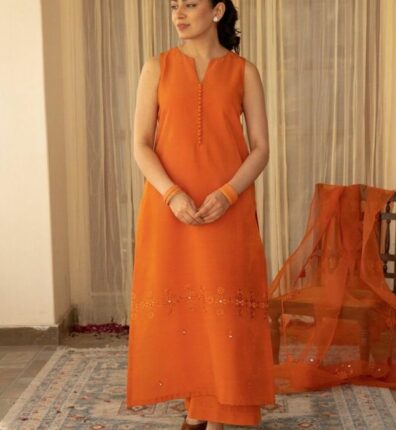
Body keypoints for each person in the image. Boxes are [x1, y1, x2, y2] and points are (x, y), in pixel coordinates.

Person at [126, 0, 276, 428]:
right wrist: (171, 195)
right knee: (187, 312)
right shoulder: (156, 67)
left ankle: (214, 411)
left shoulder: (244, 72)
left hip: (227, 208)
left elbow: (261, 148)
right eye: (174, 5)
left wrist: (228, 194)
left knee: (224, 312)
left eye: (190, 4)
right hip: (170, 209)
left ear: (217, 11)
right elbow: (140, 144)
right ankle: (200, 409)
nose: (178, 13)